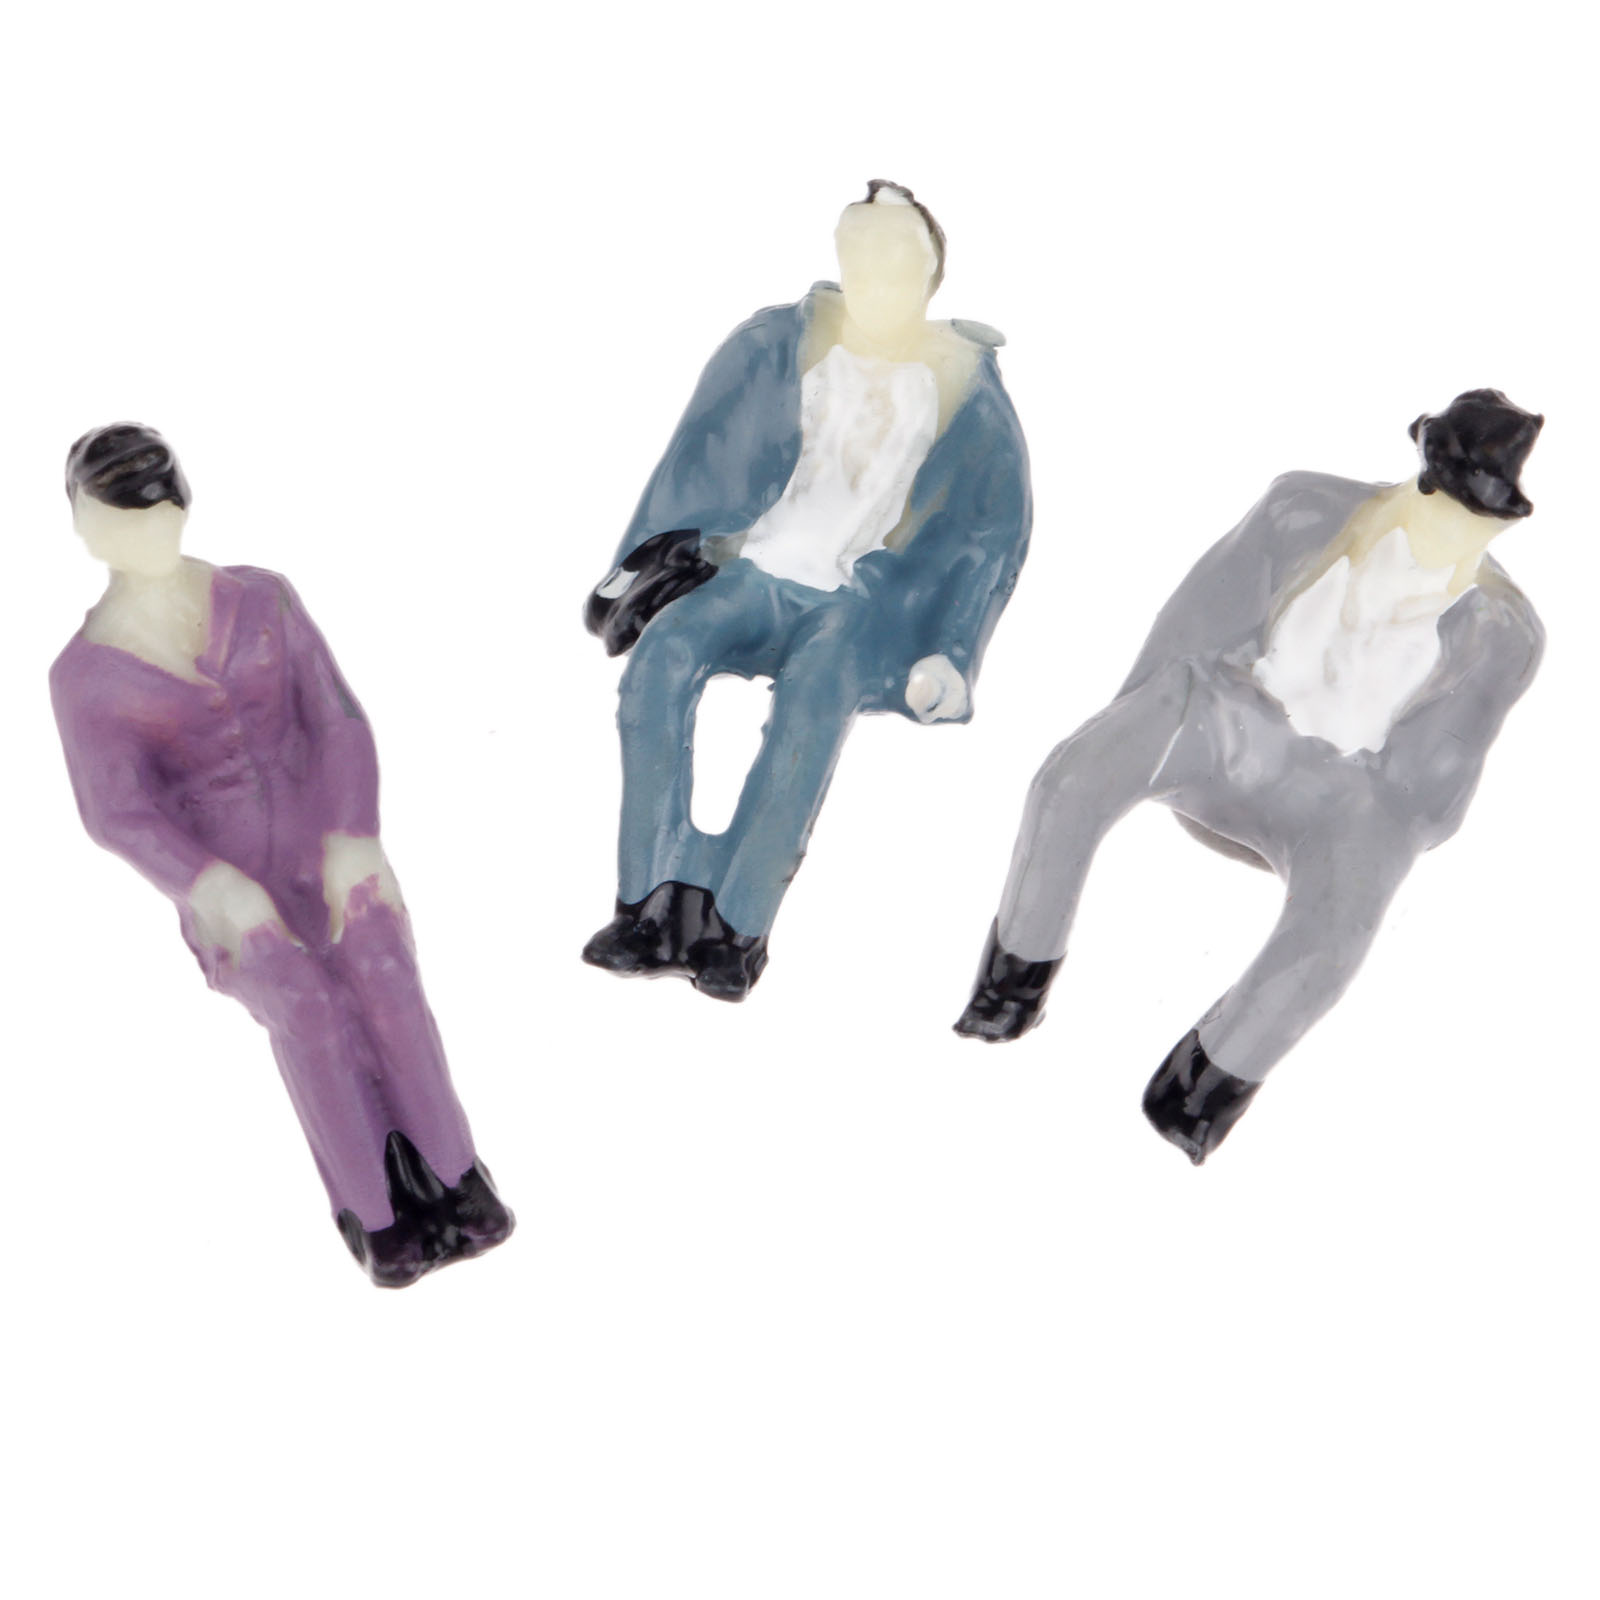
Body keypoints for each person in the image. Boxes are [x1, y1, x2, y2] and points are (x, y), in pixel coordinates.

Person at [955, 391, 1545, 1163]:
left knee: (1333, 937)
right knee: (1070, 780)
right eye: (1450, 498)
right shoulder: (1301, 506)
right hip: (1232, 709)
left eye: (1479, 515)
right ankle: (1013, 981)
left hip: (1352, 792)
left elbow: (1439, 790)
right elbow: (1193, 620)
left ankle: (1202, 1088)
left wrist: (1379, 828)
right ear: (1423, 476)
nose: (1457, 524)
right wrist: (1136, 729)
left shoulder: (1506, 634)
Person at [50, 423, 513, 1285]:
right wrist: (212, 886)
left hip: (325, 844)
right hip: (228, 888)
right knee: (308, 1006)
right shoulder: (84, 675)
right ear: (86, 526)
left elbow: (336, 719)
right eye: (124, 517)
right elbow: (116, 812)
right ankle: (375, 1211)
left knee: (384, 970)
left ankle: (456, 1176)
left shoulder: (264, 598)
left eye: (161, 508)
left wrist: (354, 836)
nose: (151, 530)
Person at [584, 180, 1032, 1000]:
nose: (878, 284)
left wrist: (950, 648)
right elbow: (699, 451)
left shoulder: (966, 388)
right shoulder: (777, 344)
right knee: (661, 663)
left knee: (812, 712)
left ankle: (738, 925)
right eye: (863, 262)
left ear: (929, 277)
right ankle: (647, 902)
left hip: (855, 599)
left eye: (897, 268)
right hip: (750, 567)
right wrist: (648, 560)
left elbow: (987, 534)